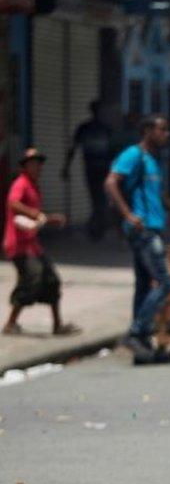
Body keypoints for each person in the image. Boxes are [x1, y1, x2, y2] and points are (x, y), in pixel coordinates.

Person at [104, 115, 170, 365]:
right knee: (166, 282)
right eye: (162, 129)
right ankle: (136, 332)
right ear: (147, 130)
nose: (166, 134)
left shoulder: (152, 160)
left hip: (152, 229)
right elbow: (111, 182)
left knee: (143, 285)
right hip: (144, 230)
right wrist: (128, 214)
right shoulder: (133, 155)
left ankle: (143, 347)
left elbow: (160, 197)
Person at [3, 148, 80, 336]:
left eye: (38, 164)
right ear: (25, 166)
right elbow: (13, 203)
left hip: (32, 244)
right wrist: (35, 214)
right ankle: (10, 324)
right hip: (18, 245)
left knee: (52, 280)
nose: (37, 167)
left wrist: (49, 218)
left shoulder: (34, 186)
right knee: (32, 278)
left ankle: (57, 325)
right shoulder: (21, 183)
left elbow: (37, 218)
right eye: (32, 163)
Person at [63, 100, 115, 240]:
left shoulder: (106, 129)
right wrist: (66, 167)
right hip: (92, 168)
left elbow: (113, 152)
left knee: (100, 199)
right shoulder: (85, 128)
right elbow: (73, 148)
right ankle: (96, 227)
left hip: (104, 169)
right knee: (96, 198)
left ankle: (98, 226)